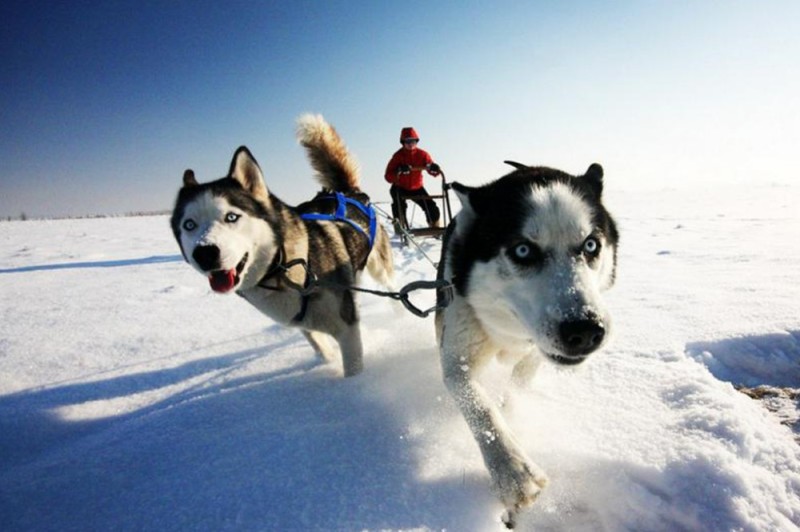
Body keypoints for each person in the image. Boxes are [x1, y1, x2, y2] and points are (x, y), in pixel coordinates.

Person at [384, 126, 442, 231]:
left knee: (431, 207)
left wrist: (435, 169)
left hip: (417, 188)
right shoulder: (397, 156)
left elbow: (431, 169)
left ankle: (434, 226)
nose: (411, 144)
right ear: (403, 142)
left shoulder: (423, 154)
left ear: (416, 141)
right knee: (399, 206)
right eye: (408, 142)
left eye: (413, 141)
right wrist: (399, 171)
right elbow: (388, 176)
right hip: (400, 187)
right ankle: (400, 228)